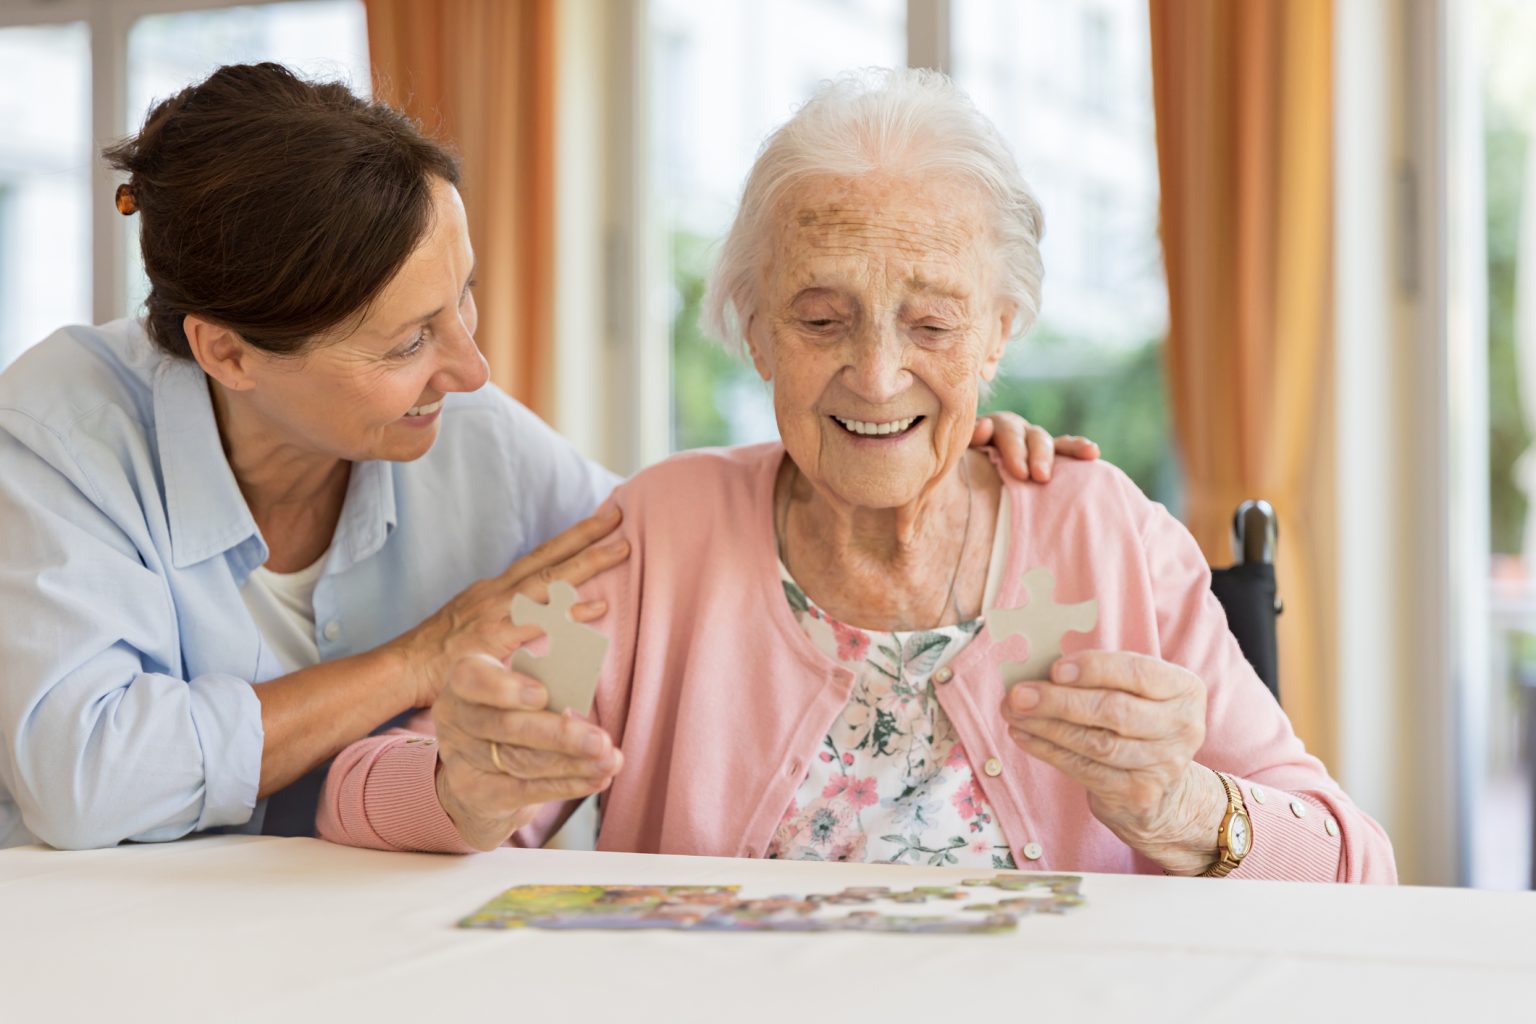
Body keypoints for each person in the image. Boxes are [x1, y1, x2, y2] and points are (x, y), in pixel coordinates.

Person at [320, 69, 1396, 882]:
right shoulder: (657, 539)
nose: (877, 376)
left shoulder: (1102, 537)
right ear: (753, 330)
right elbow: (358, 797)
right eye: (822, 318)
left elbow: (1359, 864)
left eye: (931, 320)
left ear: (999, 333)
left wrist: (1185, 804)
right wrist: (463, 788)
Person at [0, 63, 1078, 851]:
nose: (470, 367)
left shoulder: (468, 436)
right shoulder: (58, 431)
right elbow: (82, 778)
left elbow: (673, 558)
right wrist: (416, 661)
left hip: (346, 935)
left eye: (459, 299)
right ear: (226, 351)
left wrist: (924, 450)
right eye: (408, 340)